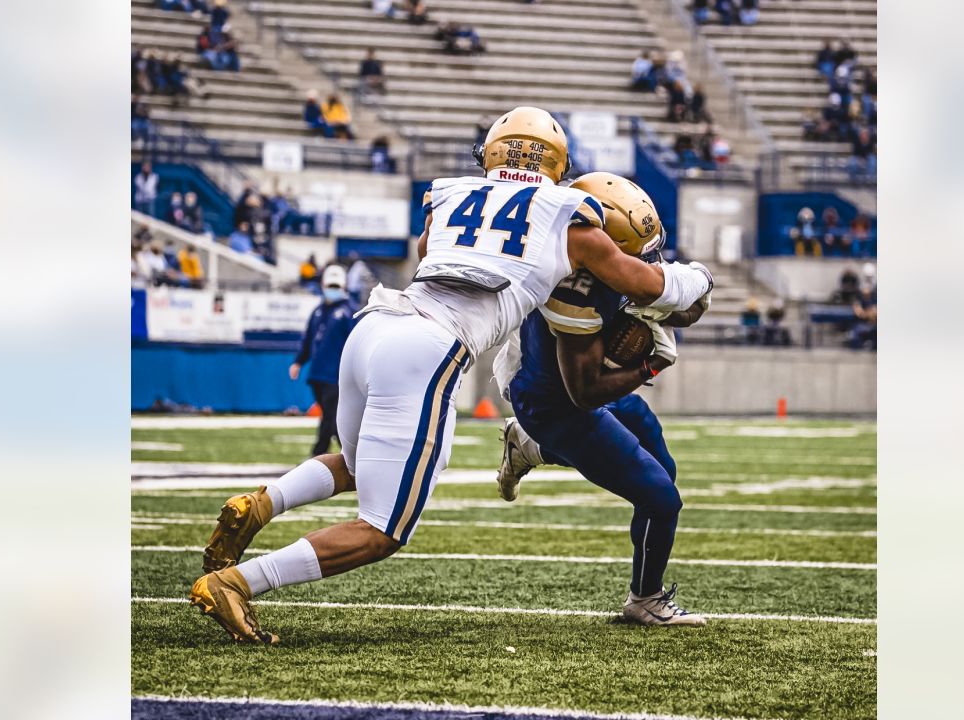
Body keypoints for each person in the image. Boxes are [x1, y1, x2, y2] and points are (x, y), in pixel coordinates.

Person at [187, 106, 714, 644]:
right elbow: (651, 287)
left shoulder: (451, 197)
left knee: (354, 462)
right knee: (383, 530)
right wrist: (698, 276)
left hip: (374, 325)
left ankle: (260, 504)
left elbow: (427, 251)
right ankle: (237, 582)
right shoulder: (570, 216)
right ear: (556, 164)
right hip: (428, 349)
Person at [492, 172, 709, 625]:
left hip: (575, 387)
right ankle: (645, 600)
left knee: (663, 470)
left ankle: (529, 448)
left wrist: (692, 289)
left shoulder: (597, 264)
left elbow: (678, 305)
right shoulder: (575, 293)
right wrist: (649, 366)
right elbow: (585, 393)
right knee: (660, 499)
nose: (646, 262)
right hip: (557, 404)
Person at [289, 265, 357, 457]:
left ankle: (321, 453)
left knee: (332, 416)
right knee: (329, 416)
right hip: (318, 373)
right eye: (330, 285)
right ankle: (344, 453)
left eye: (336, 286)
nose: (332, 289)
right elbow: (309, 338)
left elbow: (357, 343)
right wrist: (298, 362)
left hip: (336, 375)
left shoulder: (349, 312)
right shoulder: (318, 311)